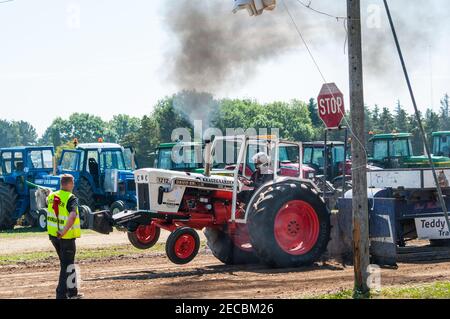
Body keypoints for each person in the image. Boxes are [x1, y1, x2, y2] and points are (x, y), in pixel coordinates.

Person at [45, 174, 83, 299]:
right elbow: (72, 216)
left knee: (68, 264)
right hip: (65, 237)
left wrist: (50, 192)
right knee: (66, 265)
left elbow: (50, 201)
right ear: (69, 184)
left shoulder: (52, 196)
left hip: (53, 237)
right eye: (73, 182)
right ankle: (60, 295)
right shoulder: (71, 198)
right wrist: (64, 231)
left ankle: (72, 293)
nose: (74, 184)